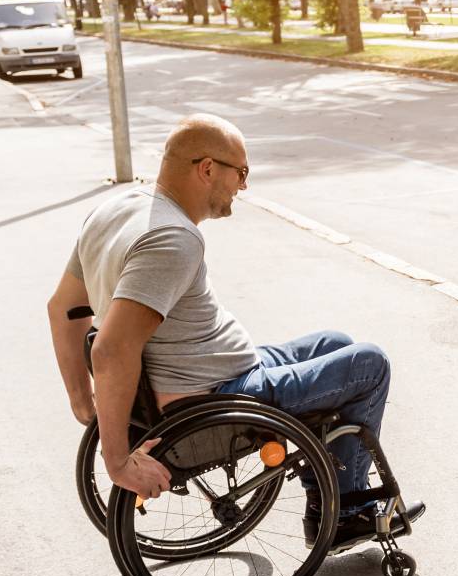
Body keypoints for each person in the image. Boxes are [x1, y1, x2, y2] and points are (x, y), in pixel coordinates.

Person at [46, 113, 423, 547]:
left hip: (210, 372)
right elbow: (111, 351)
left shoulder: (117, 208)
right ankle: (347, 514)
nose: (243, 187)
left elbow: (62, 309)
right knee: (369, 363)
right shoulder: (172, 238)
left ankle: (332, 494)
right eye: (241, 173)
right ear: (207, 169)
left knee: (334, 343)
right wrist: (117, 462)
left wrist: (82, 401)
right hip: (216, 393)